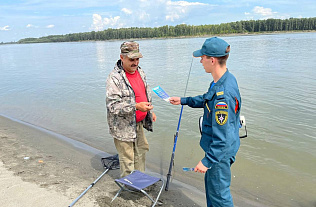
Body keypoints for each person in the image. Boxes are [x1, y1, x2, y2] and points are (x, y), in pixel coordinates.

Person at [169, 37, 241, 206]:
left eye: (203, 57)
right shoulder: (224, 80)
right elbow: (208, 99)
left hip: (219, 155)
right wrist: (184, 100)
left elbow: (222, 138)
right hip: (218, 152)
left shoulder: (224, 94)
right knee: (214, 190)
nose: (201, 60)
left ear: (212, 60)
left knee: (220, 196)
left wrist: (207, 161)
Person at [106, 41, 156, 178]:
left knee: (141, 153)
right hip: (122, 128)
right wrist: (136, 106)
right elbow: (113, 106)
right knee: (127, 160)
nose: (135, 63)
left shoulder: (140, 72)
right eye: (131, 60)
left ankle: (139, 183)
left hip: (139, 123)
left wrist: (149, 112)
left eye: (137, 59)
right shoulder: (114, 78)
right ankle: (128, 187)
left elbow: (144, 94)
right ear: (122, 57)